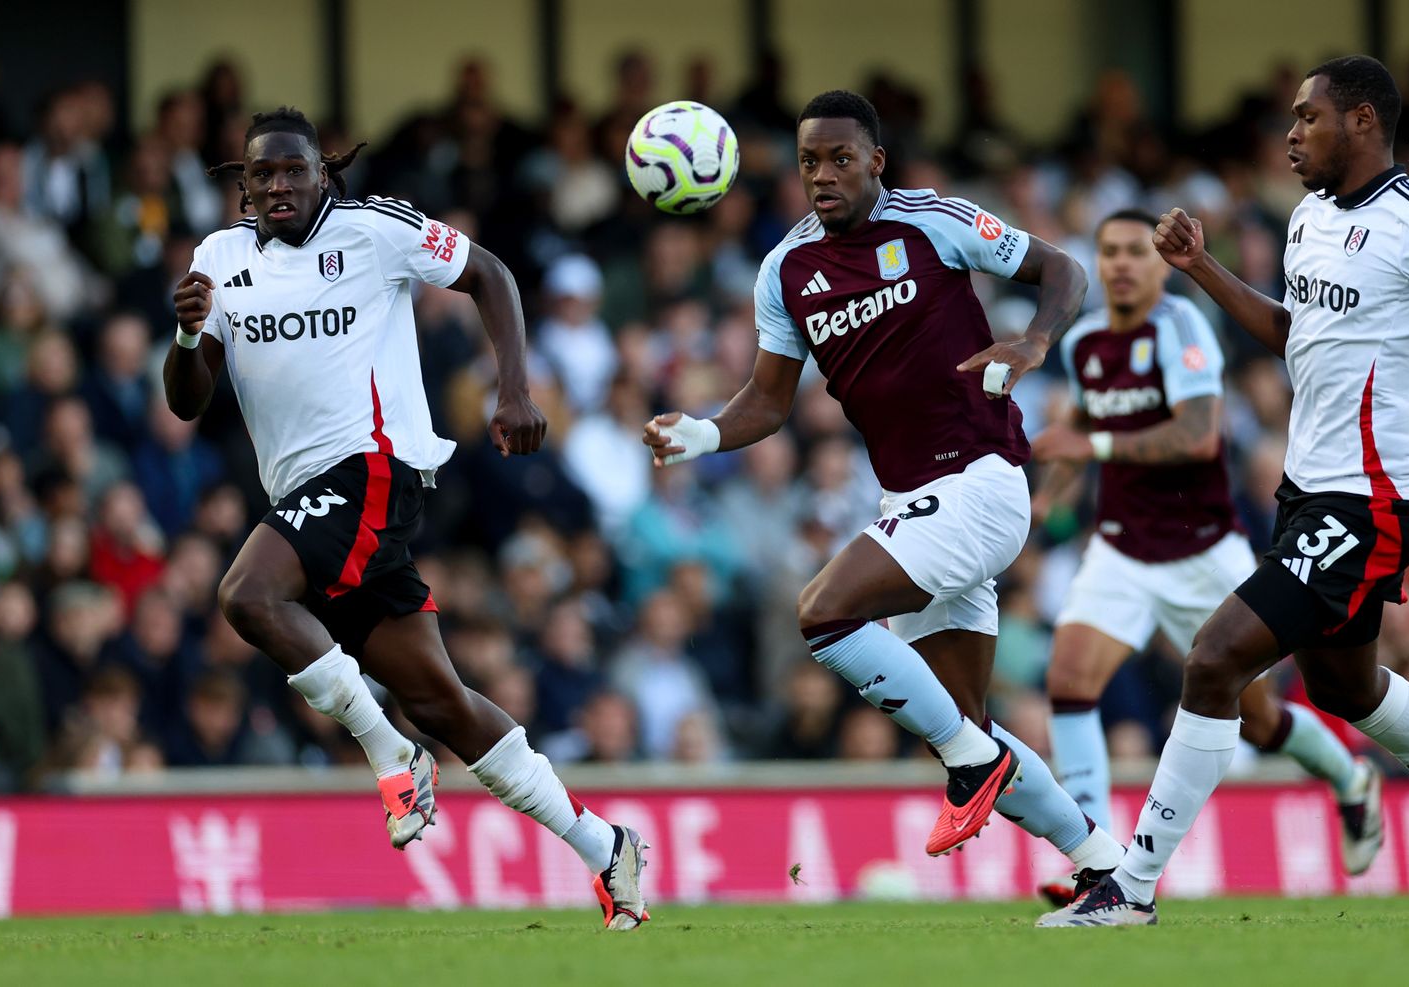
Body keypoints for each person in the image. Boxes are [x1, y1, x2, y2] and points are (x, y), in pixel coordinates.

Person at [1041, 55, 1409, 927]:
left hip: (1376, 496)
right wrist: (1201, 268)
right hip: (1311, 489)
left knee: (1214, 657)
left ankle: (1132, 884)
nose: (1291, 133)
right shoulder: (1307, 218)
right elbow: (1290, 332)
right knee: (1344, 688)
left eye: (1308, 117)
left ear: (1360, 122)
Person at [162, 108, 647, 930]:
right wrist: (184, 332)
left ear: (324, 173)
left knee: (247, 596)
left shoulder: (375, 230)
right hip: (307, 500)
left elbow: (489, 272)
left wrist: (514, 387)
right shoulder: (219, 260)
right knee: (445, 700)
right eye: (263, 173)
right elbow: (187, 401)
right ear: (242, 185)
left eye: (294, 170)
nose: (279, 184)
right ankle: (604, 844)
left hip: (374, 468)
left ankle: (388, 753)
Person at [643, 90, 1124, 875]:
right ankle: (1108, 870)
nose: (823, 175)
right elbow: (767, 400)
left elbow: (1062, 268)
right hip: (914, 504)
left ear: (876, 161)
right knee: (970, 720)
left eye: (839, 158)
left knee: (823, 612)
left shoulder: (933, 220)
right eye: (808, 162)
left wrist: (1037, 339)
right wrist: (700, 433)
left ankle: (972, 761)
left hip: (980, 483)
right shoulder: (785, 270)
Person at [1030, 209, 1384, 907]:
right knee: (1069, 680)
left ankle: (1350, 780)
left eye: (1136, 251)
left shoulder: (1183, 327)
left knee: (1259, 718)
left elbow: (1196, 437)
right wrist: (1051, 495)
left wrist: (1091, 450)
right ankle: (1096, 855)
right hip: (1122, 546)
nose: (1123, 264)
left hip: (1202, 550)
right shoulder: (1088, 343)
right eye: (1110, 253)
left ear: (1160, 263)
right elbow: (1081, 423)